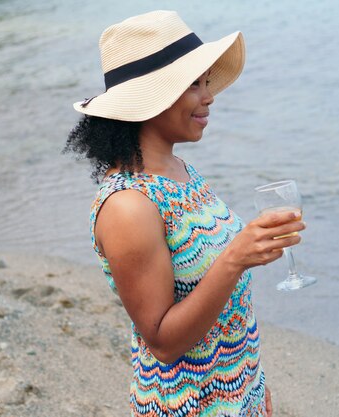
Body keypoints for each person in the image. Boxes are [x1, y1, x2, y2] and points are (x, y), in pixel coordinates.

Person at [65, 10, 304, 417]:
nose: (208, 96)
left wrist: (254, 383)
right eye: (194, 84)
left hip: (236, 391)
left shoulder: (180, 171)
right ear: (150, 96)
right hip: (187, 406)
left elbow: (217, 299)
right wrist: (235, 257)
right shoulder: (128, 206)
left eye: (206, 82)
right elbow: (163, 341)